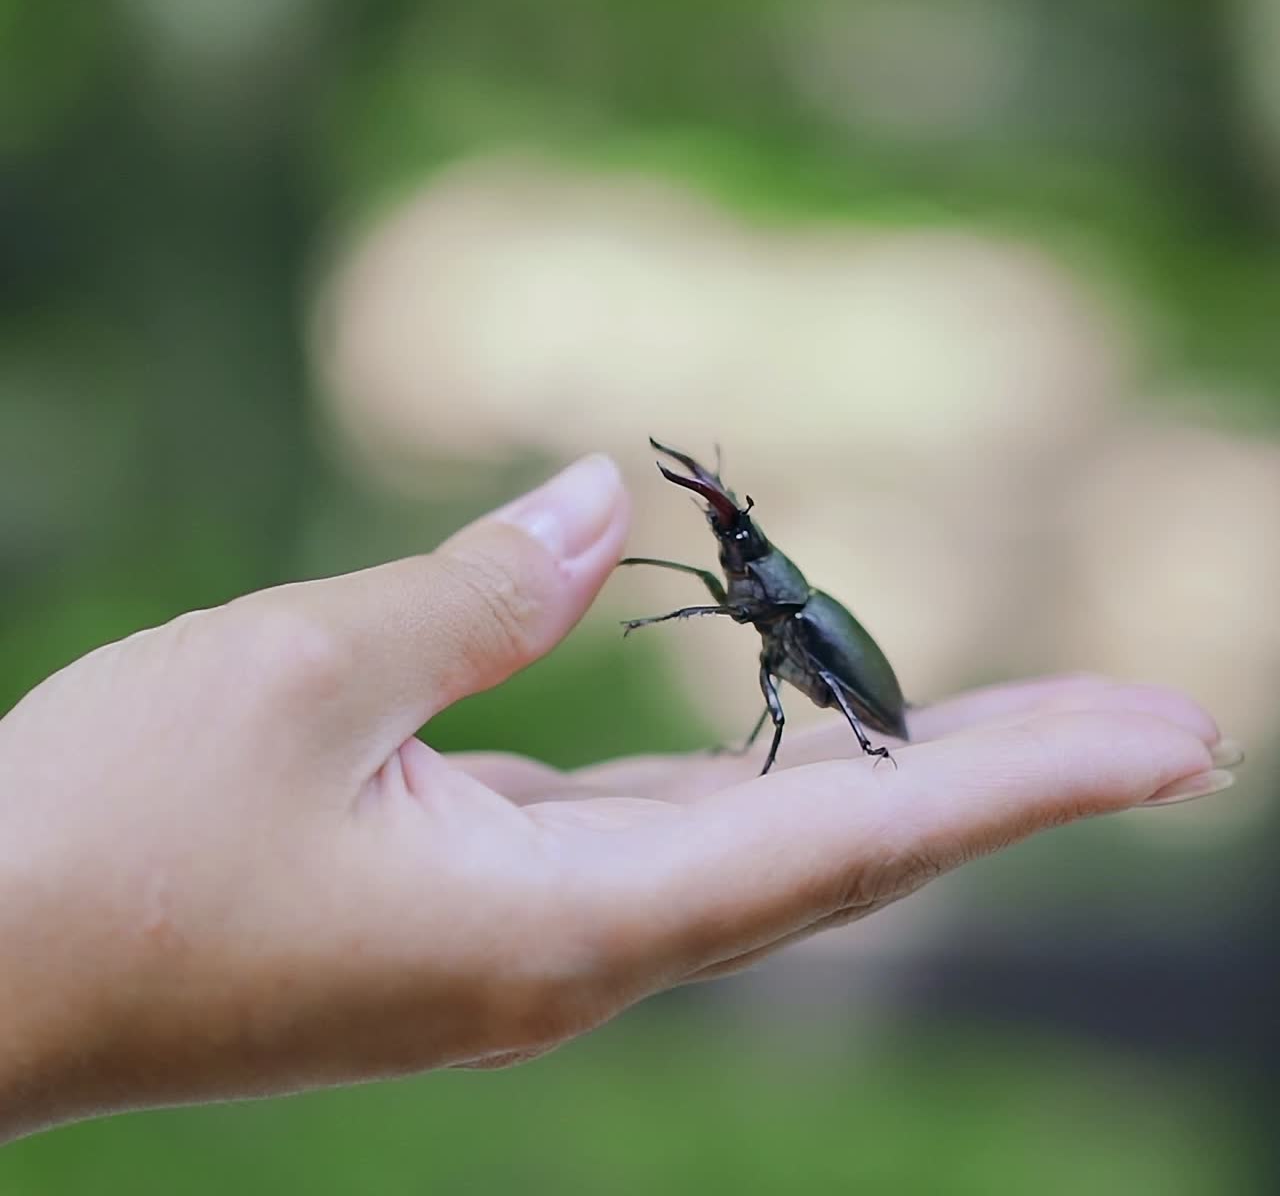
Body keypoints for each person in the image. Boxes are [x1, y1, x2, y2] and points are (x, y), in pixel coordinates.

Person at [0, 454, 1238, 1143]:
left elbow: (775, 640)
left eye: (738, 549)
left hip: (848, 683)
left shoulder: (792, 607)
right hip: (816, 668)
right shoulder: (766, 595)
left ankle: (843, 741)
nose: (729, 557)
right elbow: (750, 619)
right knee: (773, 685)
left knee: (793, 684)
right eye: (727, 548)